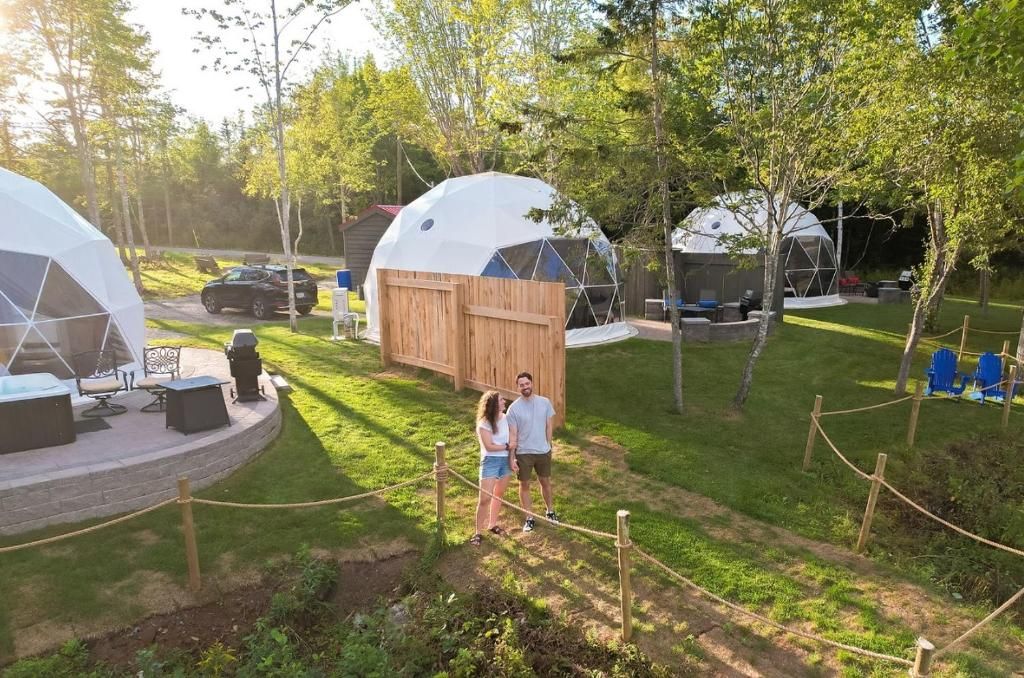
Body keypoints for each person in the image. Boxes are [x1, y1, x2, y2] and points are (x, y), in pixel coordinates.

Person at [507, 371, 559, 533]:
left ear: (532, 383)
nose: (525, 387)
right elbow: (513, 435)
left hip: (543, 451)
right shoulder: (513, 409)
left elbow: (549, 426)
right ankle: (529, 518)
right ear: (517, 387)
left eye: (527, 383)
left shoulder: (545, 403)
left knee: (545, 481)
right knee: (524, 484)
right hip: (524, 453)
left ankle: (550, 512)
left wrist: (548, 445)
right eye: (521, 385)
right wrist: (512, 457)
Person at [471, 390, 516, 546]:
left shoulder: (506, 418)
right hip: (490, 461)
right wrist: (506, 446)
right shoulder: (484, 423)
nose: (504, 402)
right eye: (501, 400)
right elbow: (489, 446)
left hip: (505, 461)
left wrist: (511, 458)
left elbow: (513, 442)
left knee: (498, 494)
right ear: (493, 405)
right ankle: (477, 532)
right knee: (485, 498)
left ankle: (492, 524)